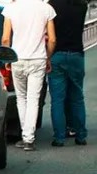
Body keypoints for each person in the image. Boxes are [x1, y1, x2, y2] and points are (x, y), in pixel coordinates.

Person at [2, 0, 57, 151]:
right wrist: (48, 57)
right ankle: (28, 139)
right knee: (34, 98)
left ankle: (25, 136)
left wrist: (7, 58)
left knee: (21, 98)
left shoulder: (11, 8)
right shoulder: (46, 8)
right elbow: (52, 39)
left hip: (18, 59)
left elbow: (5, 38)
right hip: (38, 59)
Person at [48, 0, 88, 146]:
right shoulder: (82, 5)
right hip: (77, 55)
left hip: (57, 55)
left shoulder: (51, 5)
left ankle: (59, 137)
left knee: (57, 99)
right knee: (77, 97)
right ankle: (81, 135)